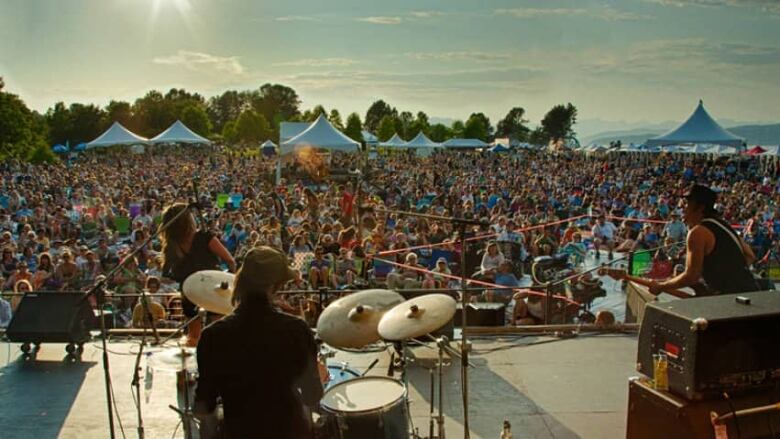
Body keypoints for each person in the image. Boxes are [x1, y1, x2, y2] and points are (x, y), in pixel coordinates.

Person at [194, 246, 323, 438]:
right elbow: (312, 395)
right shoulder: (296, 330)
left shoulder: (213, 335)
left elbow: (203, 405)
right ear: (275, 285)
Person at [649, 185, 759, 296]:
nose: (682, 208)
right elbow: (750, 255)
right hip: (751, 293)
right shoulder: (725, 226)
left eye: (687, 204)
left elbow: (691, 276)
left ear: (700, 207)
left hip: (731, 302)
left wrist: (661, 286)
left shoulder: (697, 232)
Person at [160, 203, 236, 347]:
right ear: (188, 220)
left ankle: (195, 363)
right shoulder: (205, 237)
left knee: (193, 337)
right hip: (214, 288)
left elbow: (168, 272)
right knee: (218, 332)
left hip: (189, 290)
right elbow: (230, 260)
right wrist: (229, 279)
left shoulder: (172, 244)